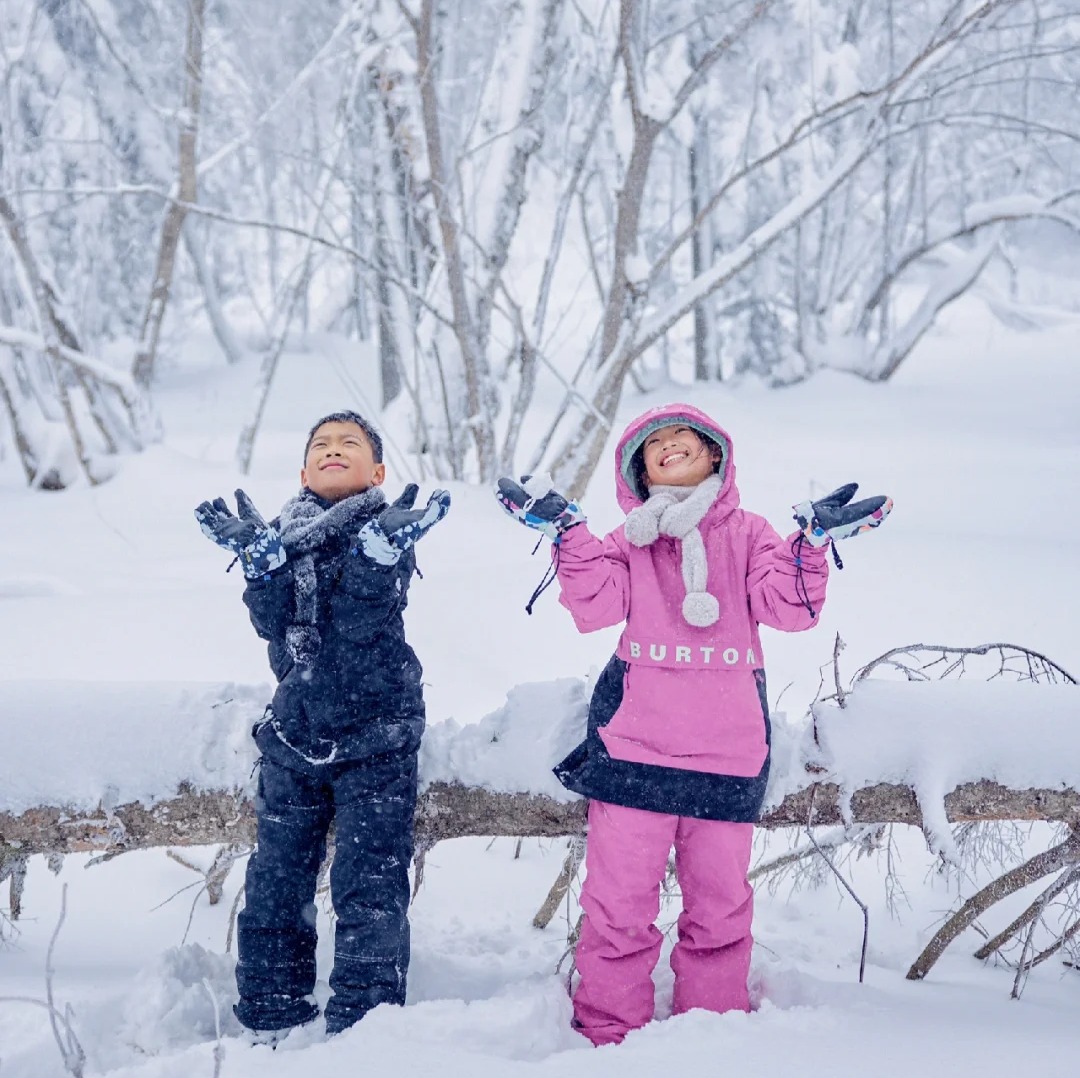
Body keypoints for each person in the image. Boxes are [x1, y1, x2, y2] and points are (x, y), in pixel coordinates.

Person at [496, 403, 891, 1045]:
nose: (670, 444)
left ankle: (712, 1038)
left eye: (684, 435)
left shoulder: (754, 534)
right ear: (639, 473)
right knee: (618, 913)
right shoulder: (627, 541)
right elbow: (594, 607)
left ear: (716, 455)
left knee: (720, 916)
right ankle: (607, 1036)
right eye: (654, 443)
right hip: (633, 759)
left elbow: (787, 610)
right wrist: (568, 534)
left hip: (725, 759)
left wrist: (810, 547)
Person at [195, 410, 450, 1040]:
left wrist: (378, 554)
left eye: (350, 444)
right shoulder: (285, 535)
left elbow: (358, 626)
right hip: (294, 735)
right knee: (276, 882)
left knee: (370, 884)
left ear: (378, 471)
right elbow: (278, 631)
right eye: (321, 445)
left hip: (378, 734)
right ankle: (271, 1012)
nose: (334, 450)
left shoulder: (387, 529)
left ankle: (366, 1026)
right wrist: (262, 567)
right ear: (304, 470)